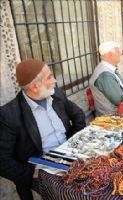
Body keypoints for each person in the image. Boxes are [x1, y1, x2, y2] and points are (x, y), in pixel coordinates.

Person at [0, 59, 86, 200]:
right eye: (50, 77)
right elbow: (2, 160)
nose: (55, 80)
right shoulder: (9, 115)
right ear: (35, 87)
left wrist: (75, 143)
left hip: (71, 156)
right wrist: (30, 172)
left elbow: (78, 115)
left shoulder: (56, 94)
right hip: (43, 170)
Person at [89, 41, 123, 116]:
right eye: (118, 52)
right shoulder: (105, 75)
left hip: (119, 110)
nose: (120, 54)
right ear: (110, 55)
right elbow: (118, 99)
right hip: (112, 116)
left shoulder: (109, 68)